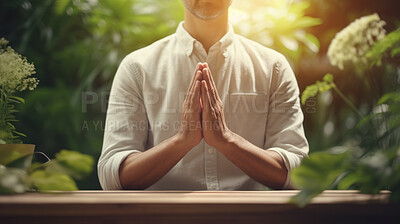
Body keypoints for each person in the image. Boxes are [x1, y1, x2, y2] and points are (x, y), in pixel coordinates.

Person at [98, 0, 309, 190]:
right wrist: (182, 141)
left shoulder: (274, 68)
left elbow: (299, 173)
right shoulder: (137, 68)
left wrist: (227, 140)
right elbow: (112, 176)